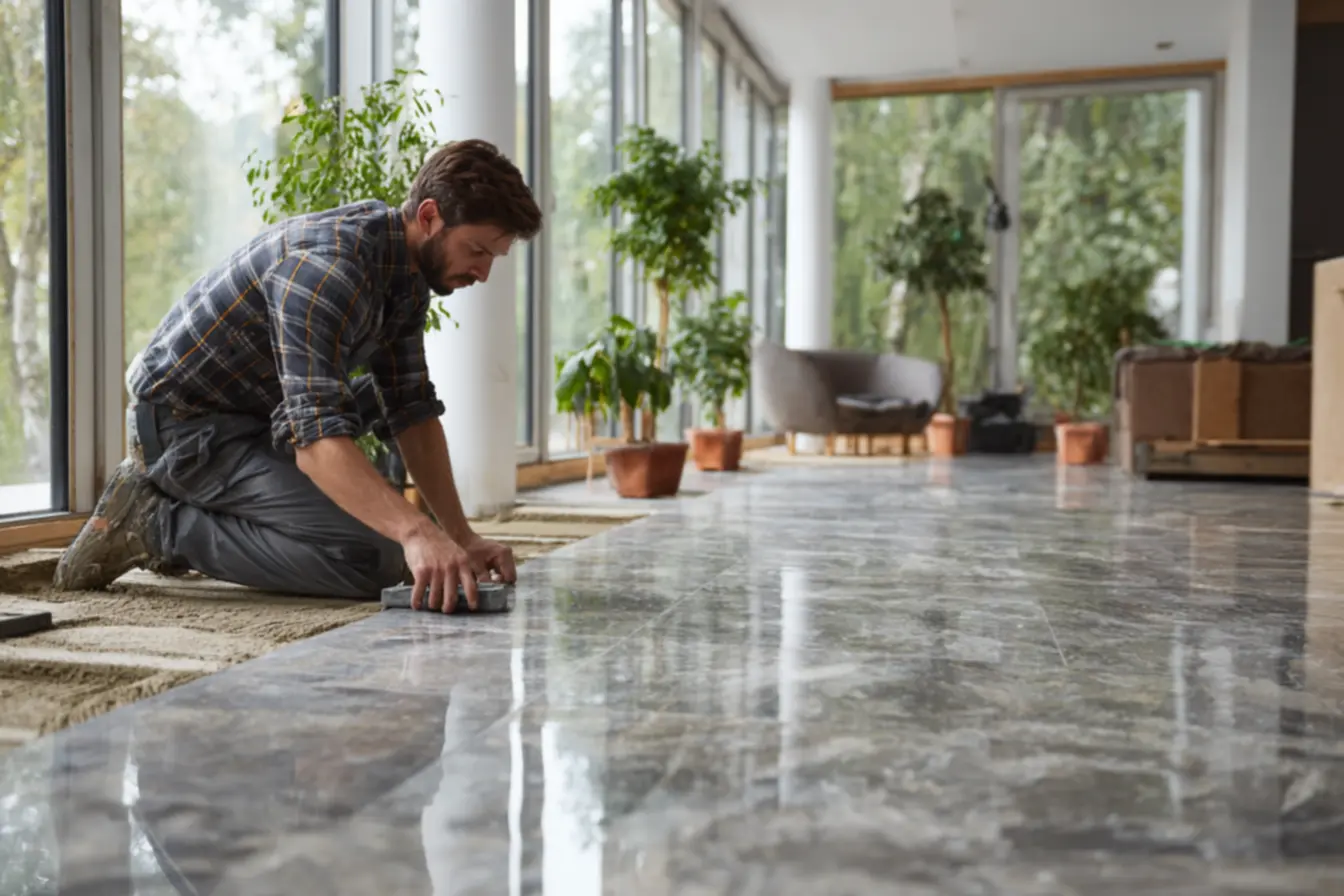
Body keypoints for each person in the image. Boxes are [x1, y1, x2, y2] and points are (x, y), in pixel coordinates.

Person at [53, 139, 543, 613]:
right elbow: (314, 440)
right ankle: (156, 523)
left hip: (255, 417)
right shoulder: (328, 270)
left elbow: (411, 409)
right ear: (430, 216)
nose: (483, 273)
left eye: (492, 258)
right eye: (476, 250)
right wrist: (417, 533)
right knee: (376, 559)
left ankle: (219, 511)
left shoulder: (404, 271)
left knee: (389, 398)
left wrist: (460, 536)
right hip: (185, 429)